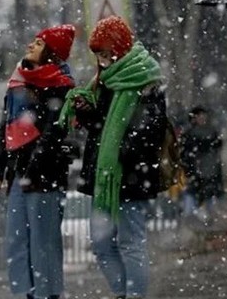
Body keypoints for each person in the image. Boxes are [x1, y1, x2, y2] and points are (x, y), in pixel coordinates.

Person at [62, 15, 166, 299]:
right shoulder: (106, 81)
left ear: (119, 48)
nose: (103, 59)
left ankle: (134, 296)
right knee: (101, 243)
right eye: (98, 54)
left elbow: (151, 130)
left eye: (106, 53)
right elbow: (102, 126)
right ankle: (122, 293)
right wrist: (86, 111)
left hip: (130, 174)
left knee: (131, 242)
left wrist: (122, 150)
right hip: (104, 176)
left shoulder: (145, 78)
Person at [0, 24, 77, 299]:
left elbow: (54, 132)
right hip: (18, 174)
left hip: (44, 176)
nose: (31, 46)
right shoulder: (18, 82)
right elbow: (7, 128)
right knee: (16, 240)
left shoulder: (61, 87)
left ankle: (47, 294)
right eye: (33, 41)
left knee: (43, 241)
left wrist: (33, 165)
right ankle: (24, 293)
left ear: (51, 53)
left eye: (38, 44)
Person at [180, 106, 224, 222]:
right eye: (199, 116)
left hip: (208, 171)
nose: (202, 119)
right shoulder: (190, 134)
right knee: (193, 199)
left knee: (207, 200)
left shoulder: (211, 132)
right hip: (196, 172)